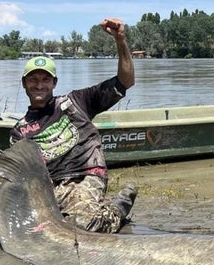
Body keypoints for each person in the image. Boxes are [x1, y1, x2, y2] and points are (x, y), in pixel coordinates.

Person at [8, 17, 137, 233]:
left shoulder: (76, 102)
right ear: (24, 84)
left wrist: (121, 41)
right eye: (33, 79)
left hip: (85, 175)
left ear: (54, 83)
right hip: (50, 187)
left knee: (81, 227)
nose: (39, 85)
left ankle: (118, 208)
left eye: (45, 79)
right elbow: (25, 175)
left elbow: (126, 81)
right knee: (2, 223)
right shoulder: (19, 131)